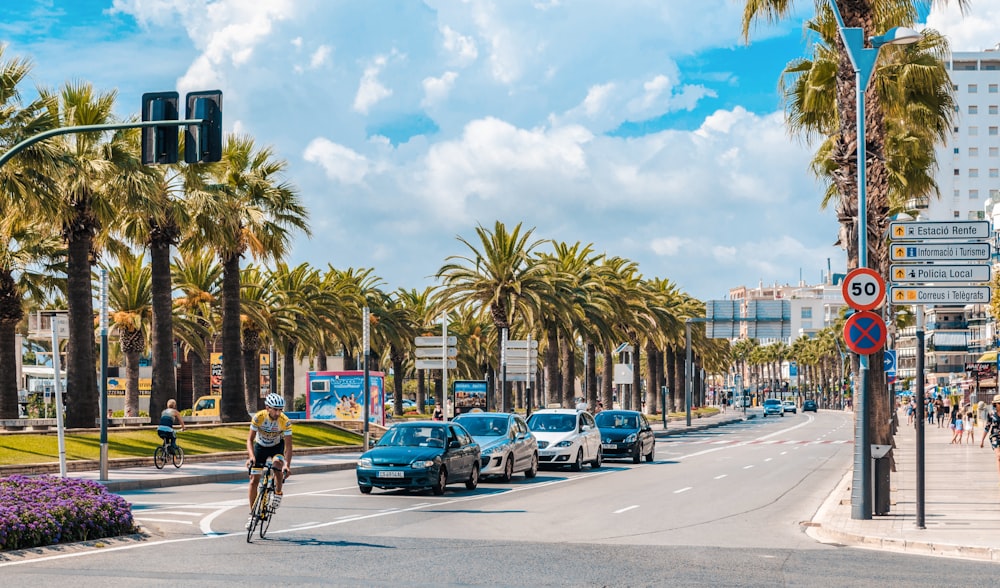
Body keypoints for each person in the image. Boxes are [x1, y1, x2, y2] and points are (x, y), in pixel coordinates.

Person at [246, 393, 293, 529]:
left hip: (276, 447)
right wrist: (251, 456)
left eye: (280, 409)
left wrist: (287, 465)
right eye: (275, 409)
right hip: (260, 447)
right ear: (267, 408)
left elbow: (289, 447)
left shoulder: (285, 421)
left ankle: (278, 492)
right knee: (254, 480)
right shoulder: (259, 417)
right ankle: (253, 515)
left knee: (277, 465)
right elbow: (249, 440)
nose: (278, 412)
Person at [979, 394, 1000, 480]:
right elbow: (987, 427)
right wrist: (982, 440)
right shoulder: (991, 414)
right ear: (995, 404)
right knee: (998, 456)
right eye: (999, 403)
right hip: (995, 436)